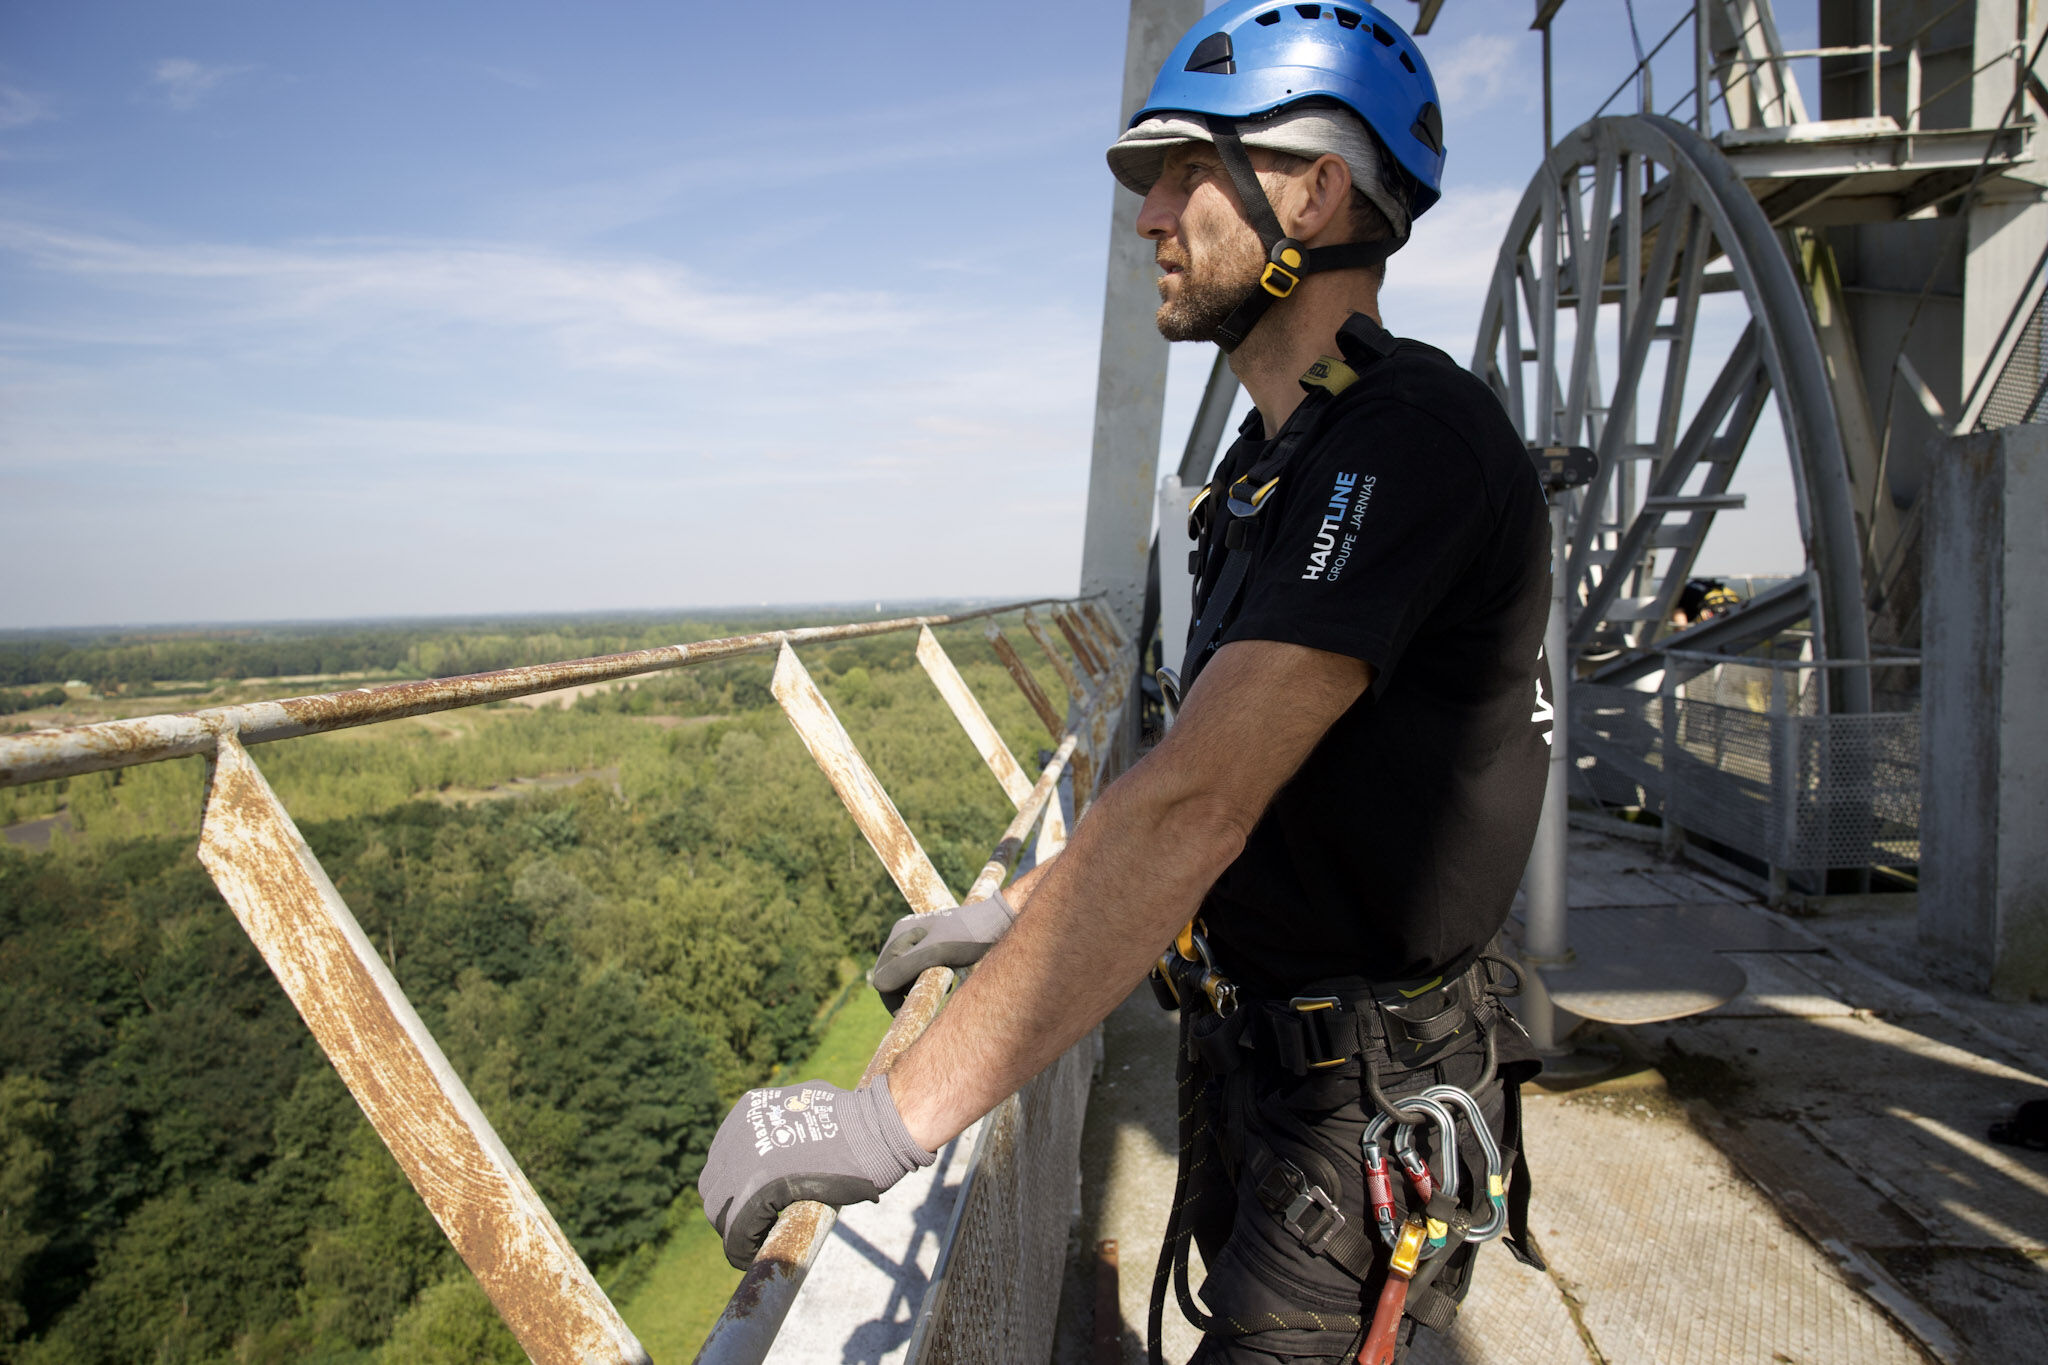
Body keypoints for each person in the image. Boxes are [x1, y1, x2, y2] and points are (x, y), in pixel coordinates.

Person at [698, 4, 1552, 1360]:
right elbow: (1217, 770)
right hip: (1271, 1071)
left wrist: (884, 1119)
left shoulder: (1409, 442)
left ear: (1314, 194)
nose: (1148, 215)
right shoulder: (1277, 465)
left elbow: (1195, 803)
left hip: (1360, 1112)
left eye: (1185, 172)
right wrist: (1018, 913)